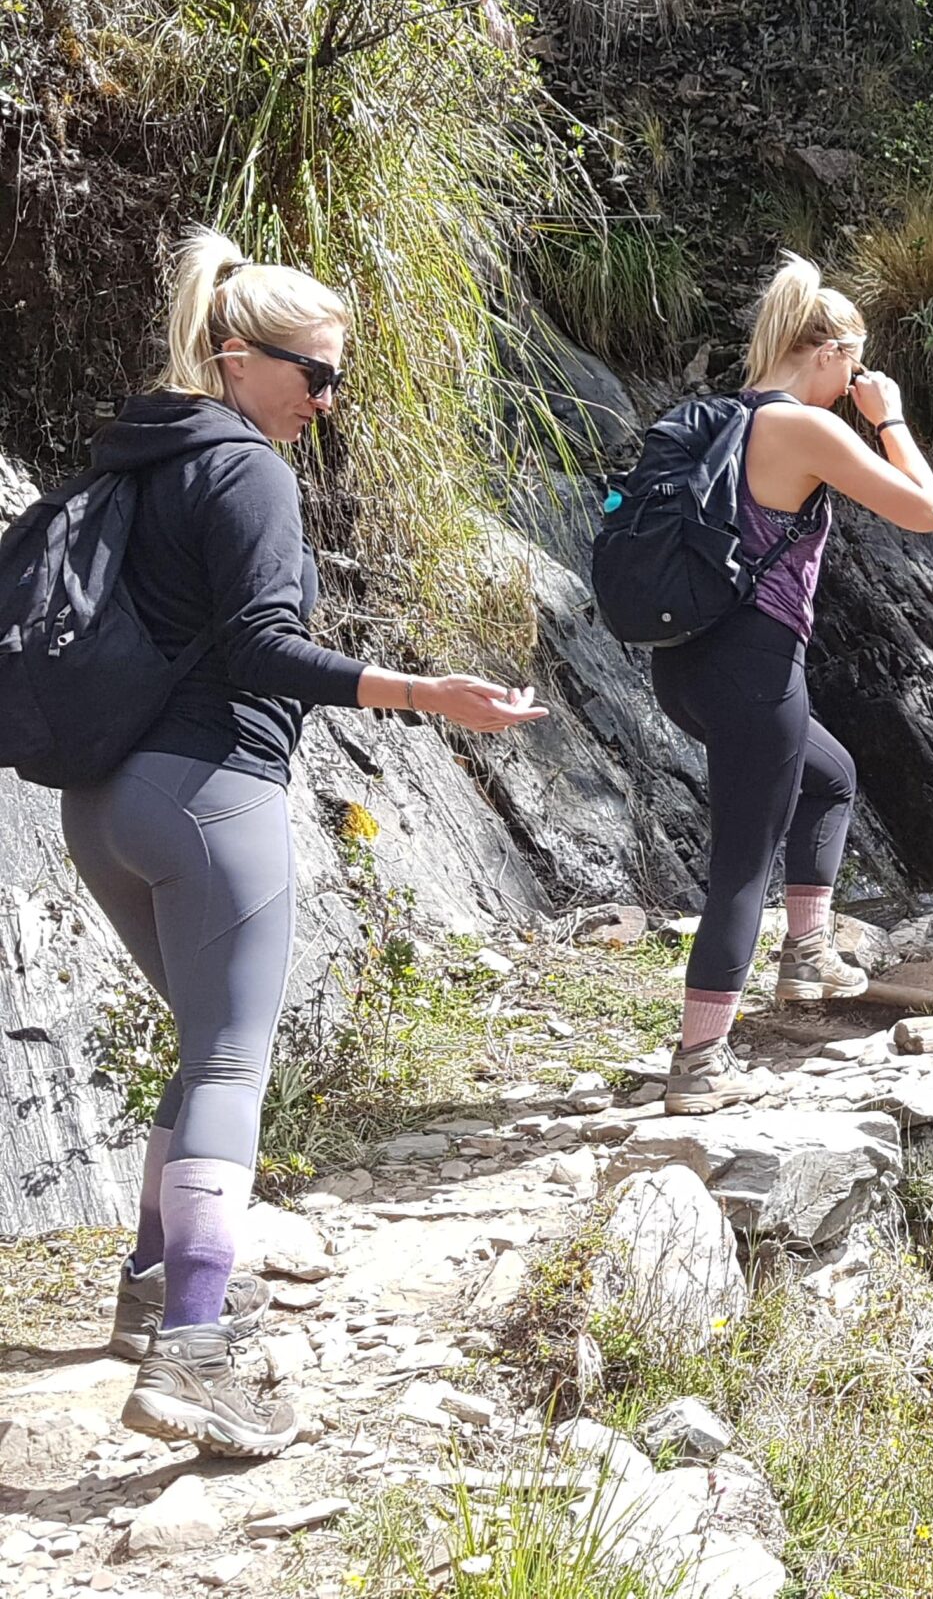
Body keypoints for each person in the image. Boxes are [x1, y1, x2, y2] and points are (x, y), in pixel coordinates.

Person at [62, 228, 545, 1456]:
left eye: (338, 378)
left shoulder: (136, 458)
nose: (326, 403)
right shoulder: (250, 472)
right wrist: (429, 692)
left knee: (202, 1042)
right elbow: (261, 649)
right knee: (231, 1062)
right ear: (237, 357)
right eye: (311, 376)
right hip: (211, 792)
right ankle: (195, 1351)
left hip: (102, 805)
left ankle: (150, 1289)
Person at [651, 254, 933, 1114]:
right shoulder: (805, 428)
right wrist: (889, 420)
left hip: (687, 663)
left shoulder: (719, 418)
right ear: (829, 352)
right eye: (854, 363)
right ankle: (700, 1063)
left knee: (831, 776)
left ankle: (806, 953)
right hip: (754, 665)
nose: (857, 379)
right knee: (742, 864)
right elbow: (923, 510)